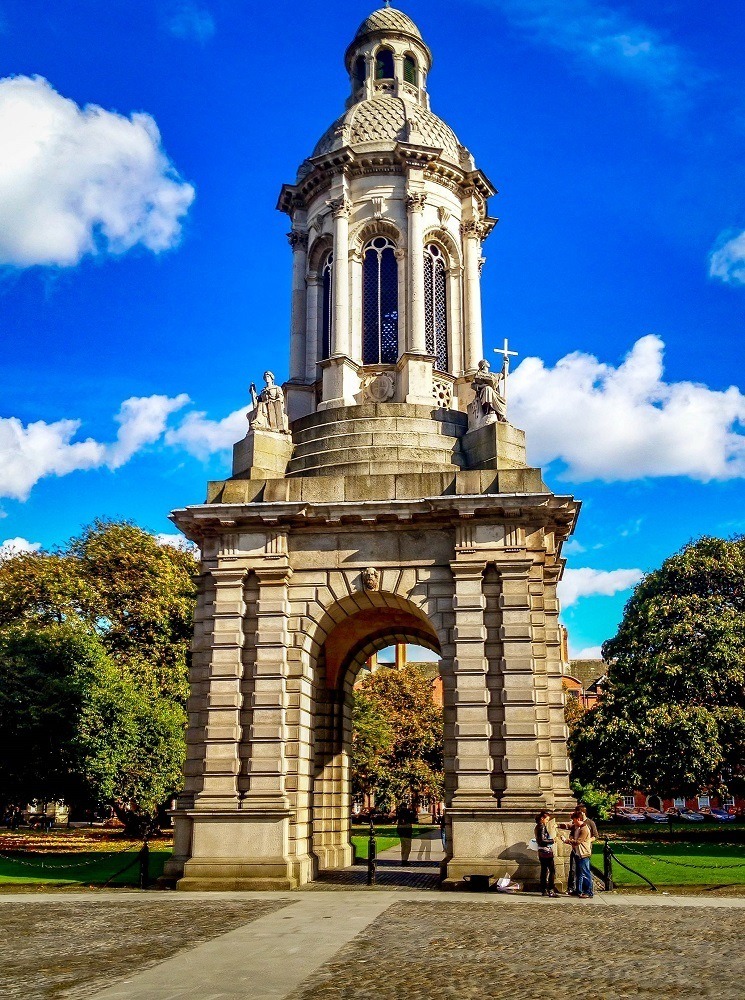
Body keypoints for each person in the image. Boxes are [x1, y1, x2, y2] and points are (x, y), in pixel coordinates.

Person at [561, 811, 594, 898]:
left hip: (584, 854)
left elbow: (577, 842)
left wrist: (566, 840)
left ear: (579, 819)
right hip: (578, 853)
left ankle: (588, 891)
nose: (573, 822)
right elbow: (569, 826)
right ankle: (579, 890)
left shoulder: (584, 829)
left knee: (585, 873)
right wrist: (558, 825)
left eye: (574, 820)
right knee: (579, 873)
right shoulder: (577, 826)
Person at [535, 810, 559, 897]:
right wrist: (553, 840)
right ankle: (550, 889)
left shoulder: (538, 827)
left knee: (544, 870)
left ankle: (544, 889)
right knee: (551, 870)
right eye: (547, 819)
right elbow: (542, 840)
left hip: (541, 851)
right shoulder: (542, 827)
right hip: (546, 851)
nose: (547, 821)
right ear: (542, 818)